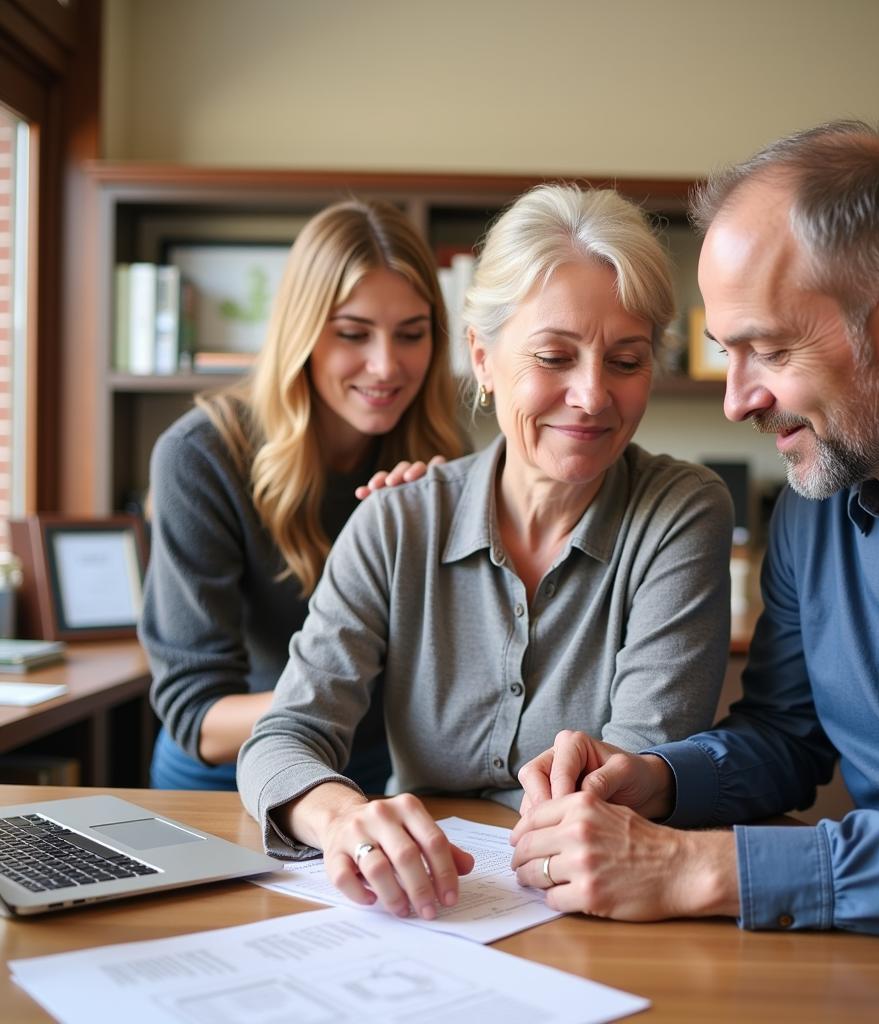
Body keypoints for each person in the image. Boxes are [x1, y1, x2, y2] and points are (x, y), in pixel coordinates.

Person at [510, 121, 879, 941]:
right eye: (723, 352)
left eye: (768, 350)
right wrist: (655, 779)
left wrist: (696, 868)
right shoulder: (815, 507)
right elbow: (786, 737)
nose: (736, 400)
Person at [237, 183, 734, 921]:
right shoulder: (395, 522)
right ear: (482, 355)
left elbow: (637, 766)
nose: (592, 396)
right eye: (555, 356)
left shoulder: (681, 512)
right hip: (426, 911)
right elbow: (285, 735)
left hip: (597, 910)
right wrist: (342, 818)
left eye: (626, 362)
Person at [142, 198, 464, 791]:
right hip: (227, 774)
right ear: (302, 333)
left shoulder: (440, 460)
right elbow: (197, 715)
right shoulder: (202, 456)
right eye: (352, 333)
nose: (385, 365)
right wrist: (329, 702)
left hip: (380, 770)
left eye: (411, 334)